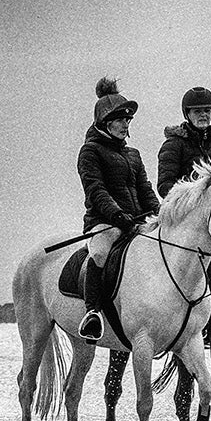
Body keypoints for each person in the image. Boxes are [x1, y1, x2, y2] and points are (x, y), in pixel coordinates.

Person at [76, 76, 161, 343]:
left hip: (135, 221)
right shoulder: (89, 152)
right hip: (105, 222)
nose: (126, 124)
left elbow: (146, 189)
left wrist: (160, 214)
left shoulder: (133, 154)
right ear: (105, 122)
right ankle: (93, 313)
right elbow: (96, 191)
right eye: (120, 119)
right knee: (100, 253)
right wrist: (117, 216)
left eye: (128, 120)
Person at [156, 86, 211, 198]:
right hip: (188, 209)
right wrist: (195, 197)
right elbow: (165, 186)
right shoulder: (173, 145)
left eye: (207, 111)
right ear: (187, 115)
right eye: (197, 111)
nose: (203, 115)